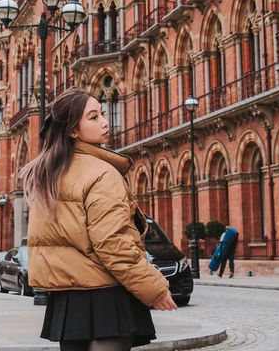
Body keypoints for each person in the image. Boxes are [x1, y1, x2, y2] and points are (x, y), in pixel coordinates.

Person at [22, 88, 176, 351]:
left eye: (103, 113)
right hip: (106, 296)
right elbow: (113, 244)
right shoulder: (103, 174)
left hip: (68, 302)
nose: (105, 122)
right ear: (73, 130)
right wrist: (154, 288)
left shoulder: (47, 173)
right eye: (93, 117)